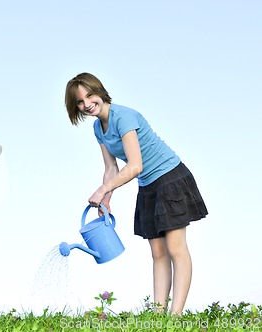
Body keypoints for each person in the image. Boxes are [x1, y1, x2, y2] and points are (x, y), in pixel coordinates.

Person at [64, 72, 208, 315]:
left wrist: (102, 190)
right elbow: (111, 168)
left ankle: (176, 315)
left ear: (99, 91)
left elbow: (135, 165)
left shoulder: (124, 117)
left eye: (89, 95)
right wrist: (106, 202)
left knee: (175, 248)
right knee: (157, 252)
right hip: (148, 186)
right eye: (80, 101)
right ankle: (159, 313)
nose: (87, 104)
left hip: (169, 177)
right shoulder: (99, 128)